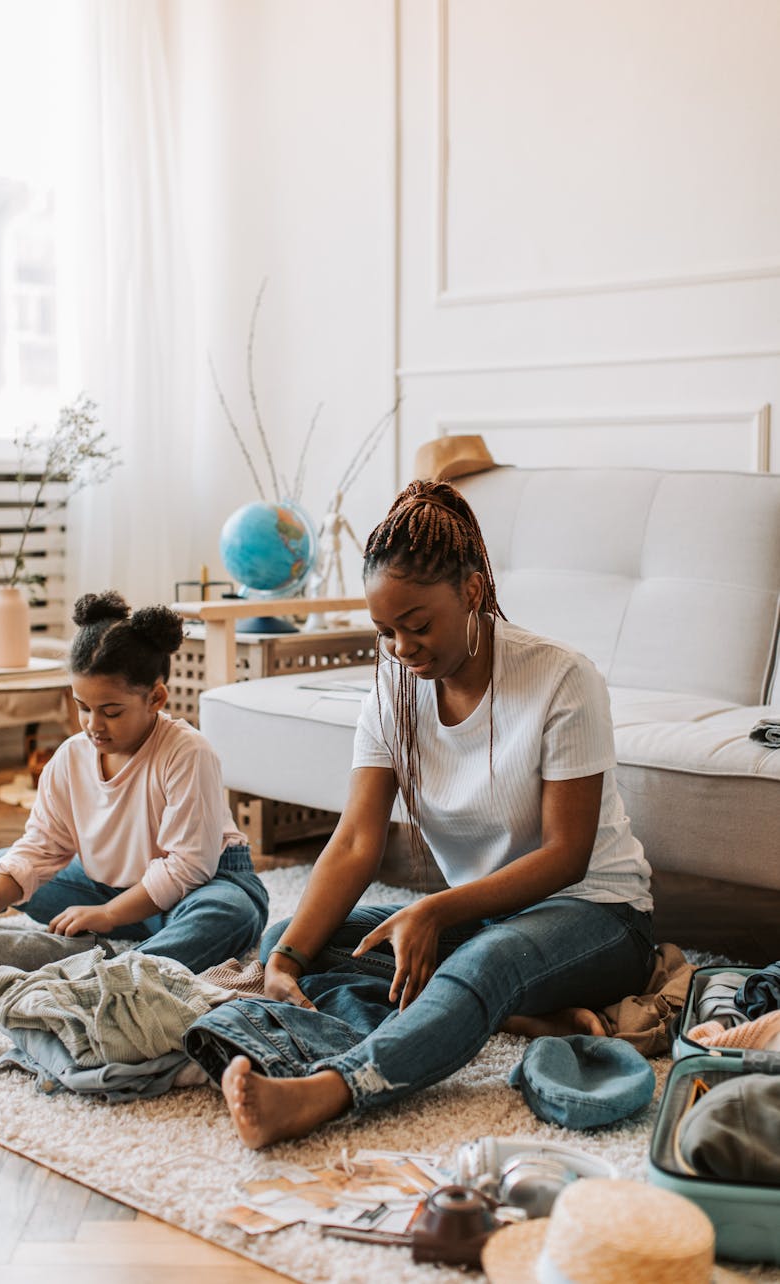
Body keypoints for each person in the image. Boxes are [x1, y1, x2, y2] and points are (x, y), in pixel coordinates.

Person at [182, 479, 655, 1148]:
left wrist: (433, 910)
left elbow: (565, 853)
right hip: (487, 917)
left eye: (418, 625)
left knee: (482, 962)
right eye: (385, 630)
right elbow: (353, 844)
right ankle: (514, 1015)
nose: (401, 648)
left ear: (468, 592)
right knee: (298, 938)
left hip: (597, 914)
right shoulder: (391, 692)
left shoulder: (560, 678)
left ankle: (326, 1091)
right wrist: (285, 960)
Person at [0, 591, 268, 972]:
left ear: (156, 698)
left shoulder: (188, 753)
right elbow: (41, 847)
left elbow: (188, 867)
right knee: (1, 867)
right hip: (107, 884)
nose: (93, 725)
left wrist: (109, 915)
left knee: (231, 913)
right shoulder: (70, 756)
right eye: (83, 708)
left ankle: (114, 973)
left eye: (111, 712)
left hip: (202, 883)